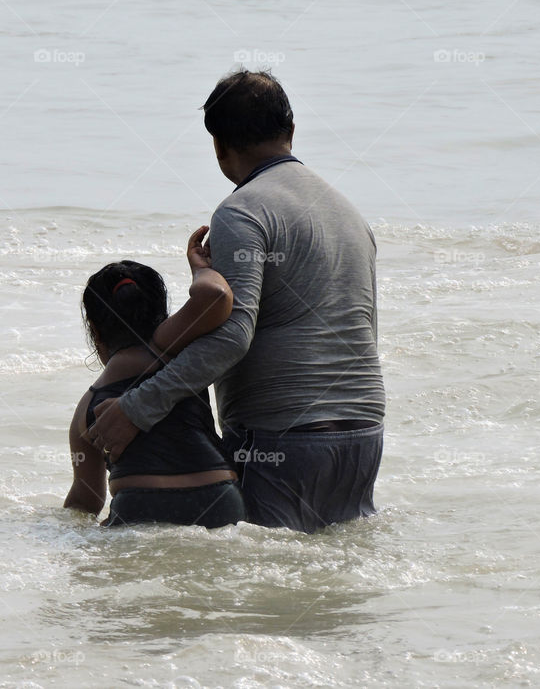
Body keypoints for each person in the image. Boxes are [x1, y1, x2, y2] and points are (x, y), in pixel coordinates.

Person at [88, 70, 386, 533]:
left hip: (284, 437)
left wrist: (137, 407)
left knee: (269, 598)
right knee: (324, 594)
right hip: (363, 431)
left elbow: (232, 337)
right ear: (290, 130)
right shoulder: (348, 213)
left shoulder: (242, 211)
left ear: (219, 146)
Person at [64, 226, 245, 528]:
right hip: (220, 501)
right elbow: (214, 295)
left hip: (139, 508)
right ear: (162, 316)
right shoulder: (177, 350)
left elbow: (86, 502)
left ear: (95, 332)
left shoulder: (87, 408)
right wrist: (200, 268)